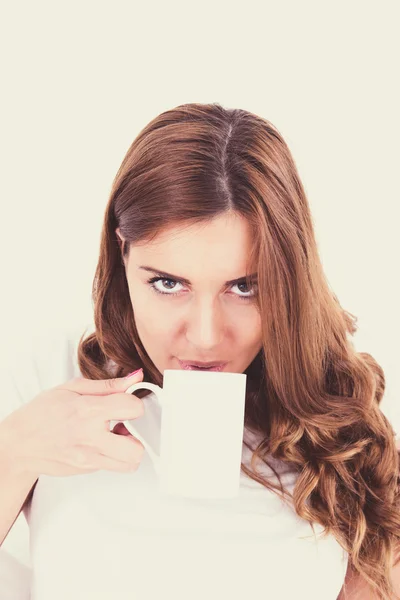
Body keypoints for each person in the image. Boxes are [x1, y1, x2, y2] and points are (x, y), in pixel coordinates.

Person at [0, 102, 399, 600]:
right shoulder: (48, 378)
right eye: (168, 283)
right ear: (122, 255)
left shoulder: (340, 428)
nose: (207, 337)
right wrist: (12, 455)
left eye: (245, 287)